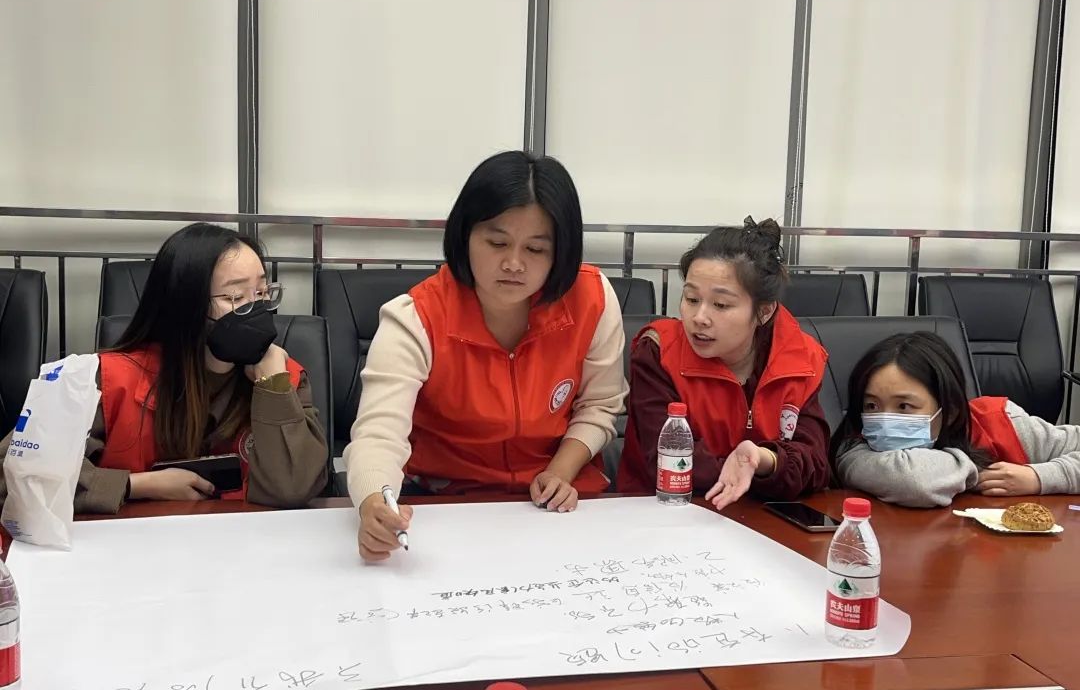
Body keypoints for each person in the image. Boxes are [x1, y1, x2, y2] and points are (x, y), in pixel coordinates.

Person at [346, 151, 627, 561]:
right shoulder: (416, 317)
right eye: (497, 243)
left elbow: (600, 405)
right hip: (448, 506)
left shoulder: (592, 299)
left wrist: (560, 471)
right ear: (465, 236)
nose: (514, 264)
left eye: (536, 249)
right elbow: (379, 434)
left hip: (558, 507)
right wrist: (375, 502)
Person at [0, 223, 329, 512]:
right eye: (235, 297)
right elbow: (14, 475)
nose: (255, 309)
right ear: (186, 305)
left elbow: (297, 487)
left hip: (247, 548)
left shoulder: (283, 376)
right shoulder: (108, 380)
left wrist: (273, 385)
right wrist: (137, 486)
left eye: (261, 292)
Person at [618, 217, 831, 510]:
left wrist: (763, 460)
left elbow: (816, 464)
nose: (699, 318)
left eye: (720, 305)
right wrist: (746, 474)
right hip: (666, 510)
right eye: (691, 299)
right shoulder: (658, 352)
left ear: (764, 311)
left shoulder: (802, 359)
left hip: (760, 518)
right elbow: (669, 461)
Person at [831, 331, 1080, 507]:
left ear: (950, 411)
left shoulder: (998, 422)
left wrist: (1039, 478)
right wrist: (973, 472)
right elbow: (915, 481)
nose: (884, 420)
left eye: (904, 406)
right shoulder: (854, 448)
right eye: (872, 405)